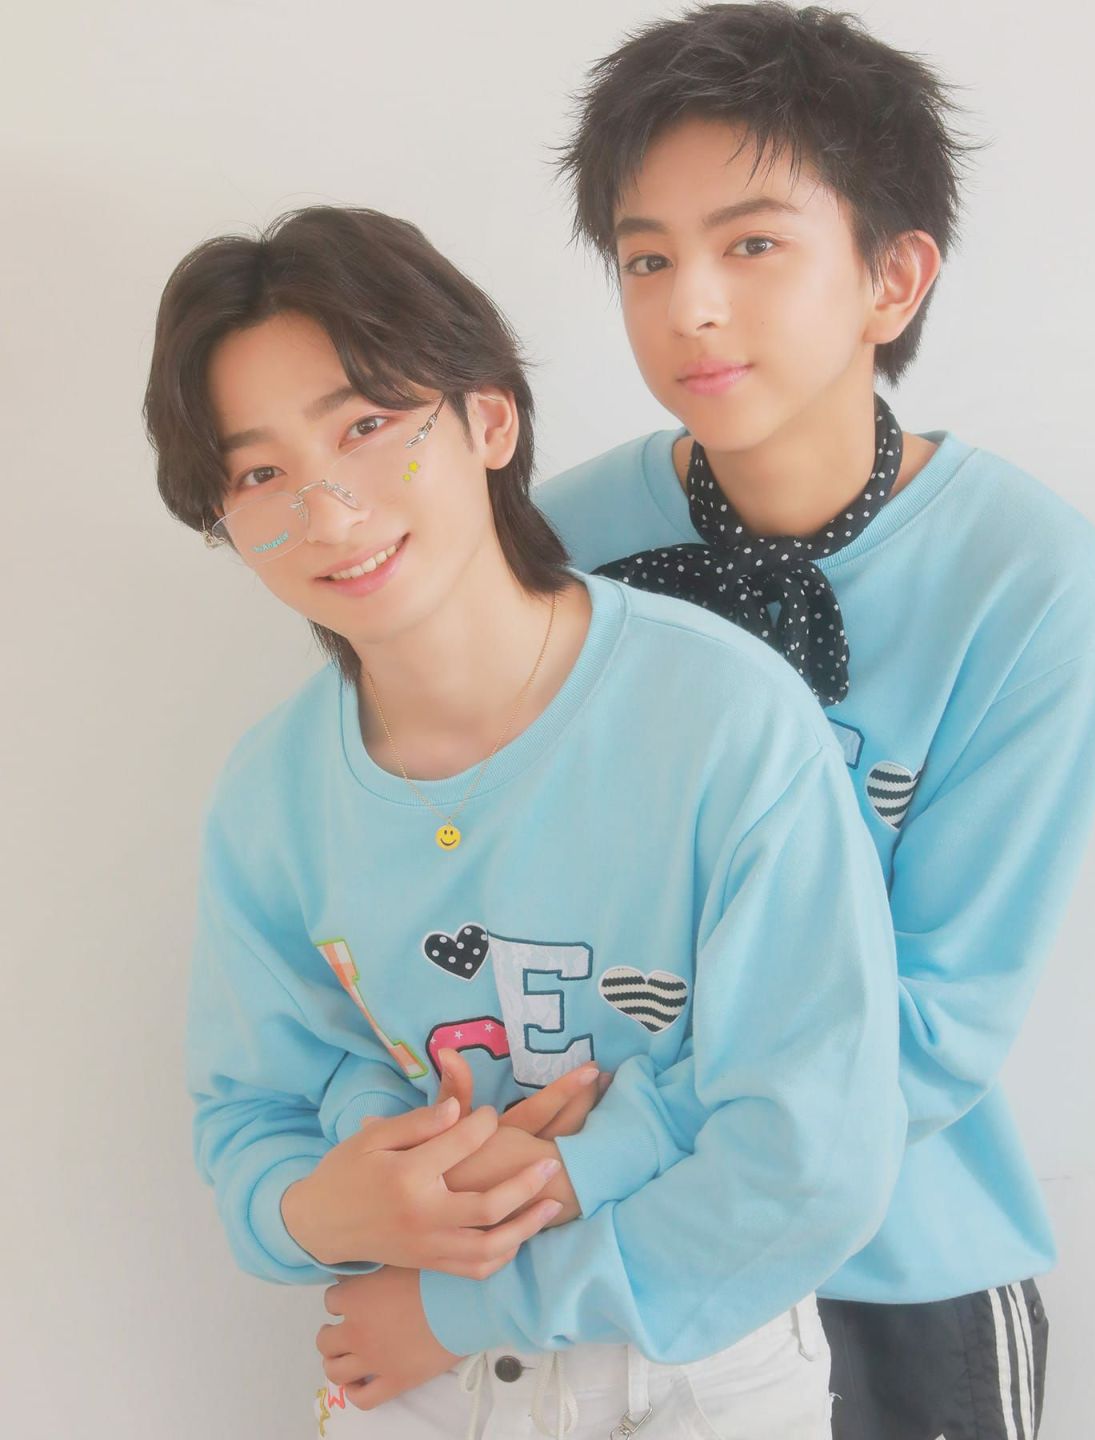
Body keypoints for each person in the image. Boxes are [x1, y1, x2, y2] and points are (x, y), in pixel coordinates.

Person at [144, 204, 904, 1437]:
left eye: (367, 427)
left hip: (691, 1353)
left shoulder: (726, 718)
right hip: (408, 1364)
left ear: (489, 420)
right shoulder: (271, 798)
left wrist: (503, 1265)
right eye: (259, 473)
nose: (326, 511)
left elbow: (814, 1152)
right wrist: (329, 1210)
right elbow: (248, 1116)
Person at [534, 6, 1095, 1439]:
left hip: (894, 1264)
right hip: (597, 1265)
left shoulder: (1024, 575)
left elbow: (943, 1011)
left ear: (891, 277)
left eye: (751, 244)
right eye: (647, 258)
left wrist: (633, 1158)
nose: (691, 306)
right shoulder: (557, 545)